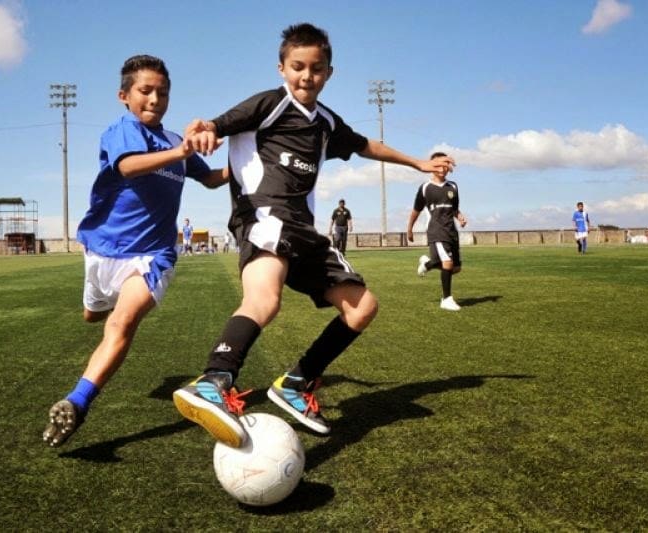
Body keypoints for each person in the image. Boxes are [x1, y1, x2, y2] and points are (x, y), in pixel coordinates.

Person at [172, 23, 455, 448]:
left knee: (362, 308)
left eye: (316, 68)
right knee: (264, 299)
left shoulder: (325, 123)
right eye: (298, 67)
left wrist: (417, 163)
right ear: (282, 67)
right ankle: (213, 380)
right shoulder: (268, 104)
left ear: (329, 72)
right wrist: (202, 129)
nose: (306, 76)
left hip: (305, 231)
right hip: (263, 217)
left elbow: (365, 145)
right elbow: (215, 124)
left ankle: (296, 383)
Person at [42, 54, 227, 448]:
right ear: (124, 95)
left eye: (163, 92)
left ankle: (77, 402)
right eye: (146, 91)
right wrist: (181, 154)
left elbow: (210, 179)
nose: (155, 99)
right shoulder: (121, 130)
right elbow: (129, 167)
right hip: (103, 248)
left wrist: (251, 164)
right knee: (93, 315)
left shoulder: (177, 142)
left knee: (121, 324)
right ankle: (102, 305)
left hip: (153, 255)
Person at [406, 152, 467, 312]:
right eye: (438, 164)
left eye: (445, 164)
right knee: (447, 263)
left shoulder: (453, 186)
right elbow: (415, 211)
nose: (442, 168)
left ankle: (427, 264)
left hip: (451, 231)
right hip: (436, 230)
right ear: (431, 166)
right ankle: (446, 299)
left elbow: (454, 208)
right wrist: (409, 229)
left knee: (455, 268)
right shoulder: (425, 188)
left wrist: (460, 217)